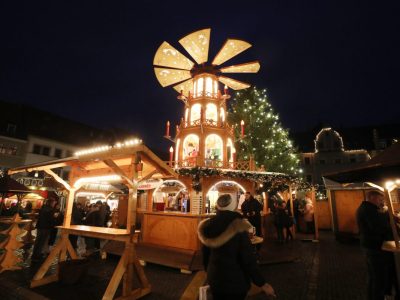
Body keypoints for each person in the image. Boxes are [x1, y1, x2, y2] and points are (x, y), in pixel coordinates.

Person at [198, 194, 275, 299]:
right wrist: (262, 283)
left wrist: (210, 271)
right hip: (235, 280)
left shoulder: (208, 225)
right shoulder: (238, 226)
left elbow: (205, 254)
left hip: (215, 278)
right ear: (233, 206)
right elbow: (247, 258)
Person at [356, 190, 399, 300]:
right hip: (375, 248)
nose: (381, 201)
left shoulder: (370, 209)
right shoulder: (368, 210)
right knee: (378, 278)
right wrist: (388, 219)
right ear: (371, 197)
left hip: (373, 246)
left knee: (374, 277)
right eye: (380, 199)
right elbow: (378, 227)